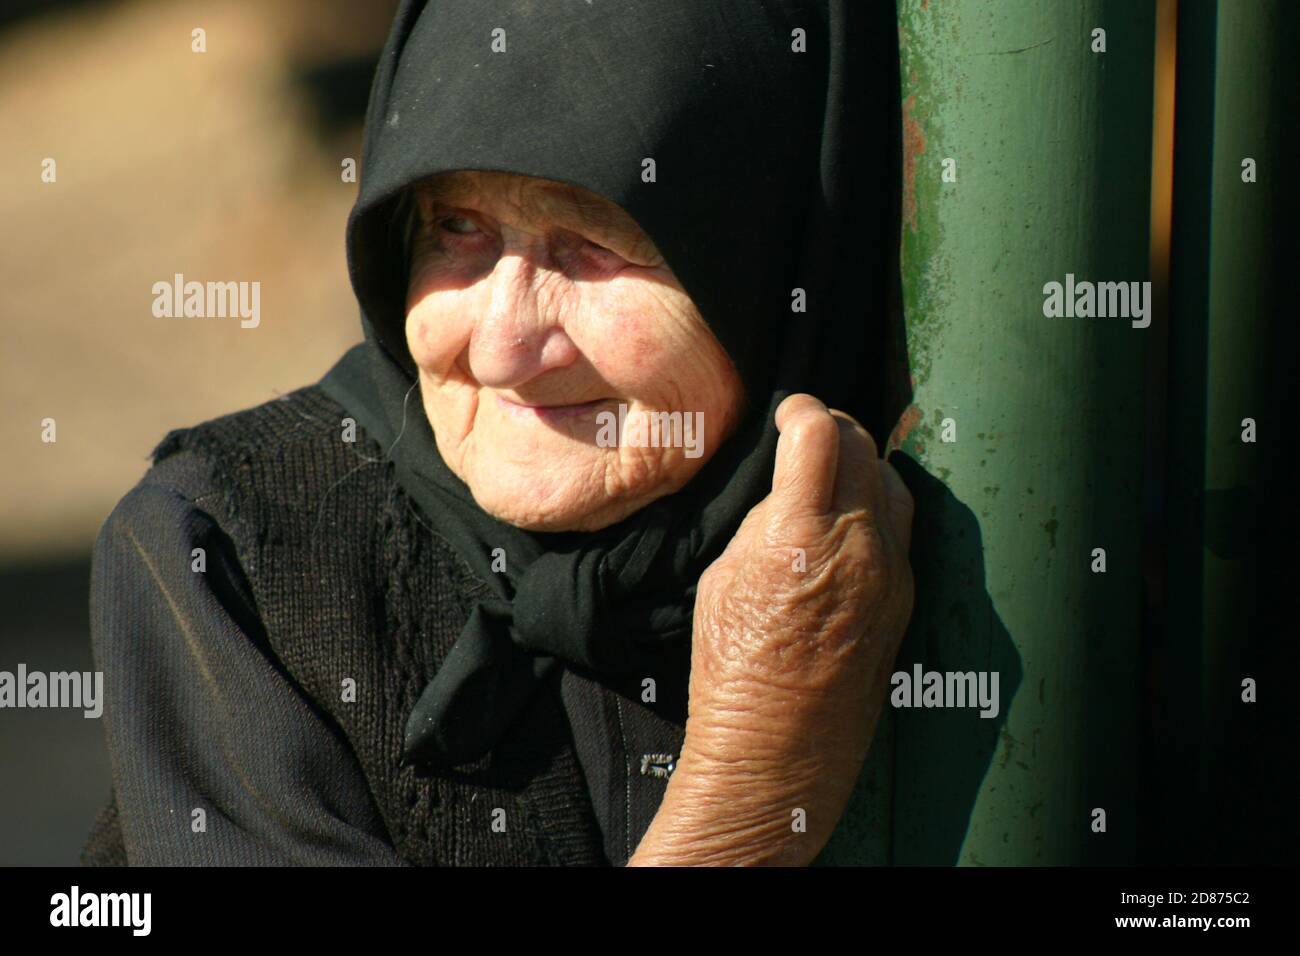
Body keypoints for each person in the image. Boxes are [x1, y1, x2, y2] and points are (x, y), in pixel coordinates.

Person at [82, 0, 913, 867]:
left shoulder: (963, 542)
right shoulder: (232, 552)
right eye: (457, 229)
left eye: (597, 242)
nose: (501, 347)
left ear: (779, 261)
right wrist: (746, 793)